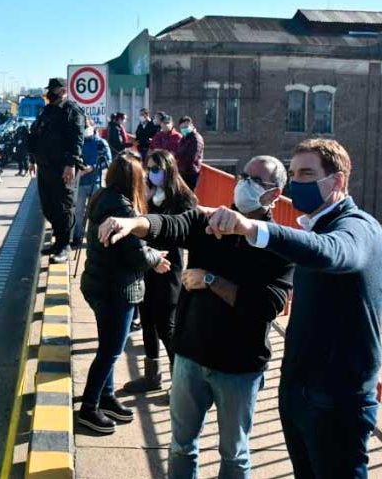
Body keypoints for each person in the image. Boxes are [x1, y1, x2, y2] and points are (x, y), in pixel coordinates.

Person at [98, 155, 294, 478]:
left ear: (274, 195)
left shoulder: (278, 244)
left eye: (256, 180)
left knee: (234, 454)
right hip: (190, 356)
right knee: (181, 446)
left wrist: (211, 280)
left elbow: (266, 306)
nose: (244, 183)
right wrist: (133, 223)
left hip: (239, 368)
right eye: (243, 175)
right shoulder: (209, 221)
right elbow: (170, 226)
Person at [205, 139, 382, 479]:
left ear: (338, 182)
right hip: (299, 391)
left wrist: (252, 227)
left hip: (337, 401)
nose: (297, 183)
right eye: (293, 174)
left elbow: (332, 252)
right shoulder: (312, 226)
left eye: (307, 173)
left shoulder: (357, 227)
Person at [78, 151, 171, 434]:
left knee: (109, 347)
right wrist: (157, 257)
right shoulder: (124, 210)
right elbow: (136, 256)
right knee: (110, 351)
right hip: (116, 290)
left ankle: (106, 398)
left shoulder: (101, 198)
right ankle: (89, 408)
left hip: (97, 283)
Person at [123, 149, 197, 394]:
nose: (150, 173)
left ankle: (181, 382)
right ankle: (152, 376)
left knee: (166, 323)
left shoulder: (182, 198)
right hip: (147, 262)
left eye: (155, 169)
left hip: (169, 265)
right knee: (146, 319)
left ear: (168, 170)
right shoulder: (145, 193)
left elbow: (185, 233)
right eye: (148, 168)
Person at [28, 77, 85, 263]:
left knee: (64, 207)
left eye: (52, 90)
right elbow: (36, 134)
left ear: (62, 91)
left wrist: (71, 164)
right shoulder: (47, 111)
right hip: (45, 167)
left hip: (63, 168)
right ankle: (58, 242)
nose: (49, 94)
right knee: (48, 207)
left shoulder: (71, 111)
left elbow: (77, 139)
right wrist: (32, 159)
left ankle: (64, 246)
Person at [72, 118, 112, 248]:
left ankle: (96, 238)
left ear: (93, 127)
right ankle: (77, 237)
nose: (84, 129)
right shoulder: (79, 142)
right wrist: (79, 169)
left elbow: (108, 161)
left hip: (96, 182)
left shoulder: (101, 143)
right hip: (81, 182)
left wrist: (93, 167)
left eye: (87, 126)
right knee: (78, 212)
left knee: (97, 212)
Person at [176, 116, 204, 190]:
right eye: (182, 127)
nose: (184, 129)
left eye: (186, 126)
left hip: (191, 173)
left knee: (189, 196)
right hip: (182, 172)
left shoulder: (196, 139)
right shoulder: (184, 138)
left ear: (191, 125)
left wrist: (178, 161)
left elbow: (192, 157)